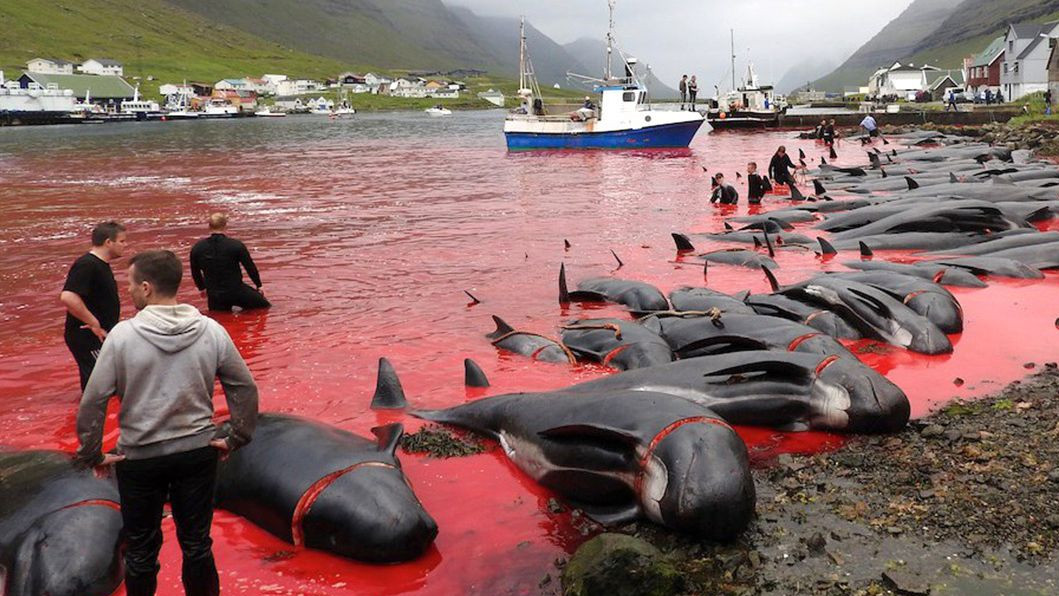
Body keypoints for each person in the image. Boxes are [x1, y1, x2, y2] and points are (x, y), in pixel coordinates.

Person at [76, 249, 259, 596]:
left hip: (140, 459)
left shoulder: (122, 337)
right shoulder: (211, 331)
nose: (127, 291)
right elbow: (244, 387)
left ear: (146, 288)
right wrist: (237, 436)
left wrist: (91, 454)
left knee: (142, 551)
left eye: (129, 284)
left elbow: (94, 400)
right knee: (197, 545)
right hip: (197, 452)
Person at [60, 221, 127, 391]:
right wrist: (94, 323)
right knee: (101, 386)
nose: (124, 246)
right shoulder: (88, 264)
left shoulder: (99, 265)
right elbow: (68, 296)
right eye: (122, 241)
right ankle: (92, 416)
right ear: (108, 242)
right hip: (88, 336)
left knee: (100, 382)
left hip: (97, 334)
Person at [190, 213, 270, 312]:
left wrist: (202, 288)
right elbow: (249, 267)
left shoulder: (198, 248)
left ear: (209, 226)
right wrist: (259, 285)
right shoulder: (236, 245)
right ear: (225, 225)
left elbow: (195, 272)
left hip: (215, 296)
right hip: (237, 291)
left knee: (220, 319)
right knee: (265, 308)